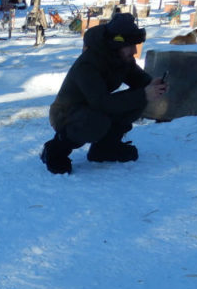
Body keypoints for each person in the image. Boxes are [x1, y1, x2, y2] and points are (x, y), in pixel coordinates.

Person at [40, 12, 167, 175]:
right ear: (116, 44)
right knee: (99, 120)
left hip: (92, 108)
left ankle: (105, 148)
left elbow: (139, 80)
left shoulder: (121, 58)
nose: (135, 51)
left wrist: (153, 84)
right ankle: (55, 149)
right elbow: (102, 103)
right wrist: (144, 94)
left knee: (137, 98)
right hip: (66, 114)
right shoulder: (88, 63)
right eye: (130, 45)